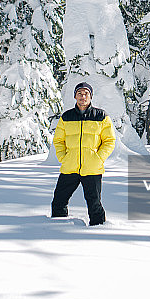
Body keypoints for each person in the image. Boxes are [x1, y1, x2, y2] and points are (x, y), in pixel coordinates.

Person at [51, 82, 116, 226]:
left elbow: (109, 141)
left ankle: (98, 230)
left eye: (86, 93)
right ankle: (56, 228)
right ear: (75, 96)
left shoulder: (101, 116)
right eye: (79, 93)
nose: (83, 96)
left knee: (94, 203)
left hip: (92, 168)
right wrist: (64, 157)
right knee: (59, 200)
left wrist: (98, 158)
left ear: (91, 96)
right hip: (70, 167)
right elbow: (58, 140)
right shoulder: (66, 117)